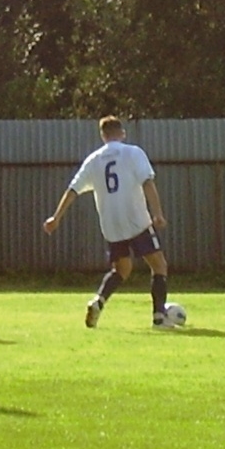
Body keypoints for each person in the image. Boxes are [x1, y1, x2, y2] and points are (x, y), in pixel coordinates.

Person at [43, 115, 175, 329]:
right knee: (159, 265)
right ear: (122, 133)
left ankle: (98, 301)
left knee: (121, 270)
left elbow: (73, 190)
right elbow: (148, 182)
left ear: (102, 136)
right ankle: (160, 316)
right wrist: (157, 213)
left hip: (111, 225)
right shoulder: (133, 152)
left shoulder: (93, 159)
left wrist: (56, 218)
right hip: (136, 220)